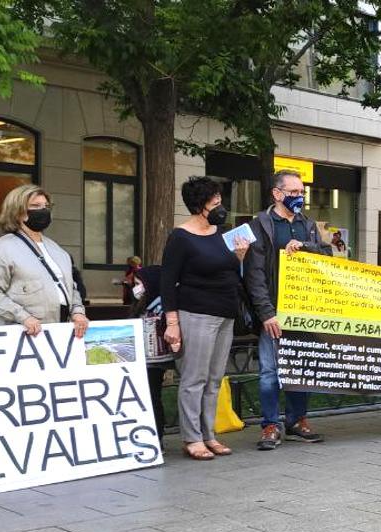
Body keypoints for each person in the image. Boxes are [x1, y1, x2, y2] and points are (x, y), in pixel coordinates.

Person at [161, 176, 249, 460]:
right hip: (196, 312)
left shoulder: (222, 234)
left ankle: (209, 434)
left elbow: (229, 273)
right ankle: (192, 437)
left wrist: (240, 257)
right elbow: (167, 281)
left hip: (225, 312)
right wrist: (172, 323)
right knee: (194, 378)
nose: (220, 208)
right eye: (215, 203)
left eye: (220, 202)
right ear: (199, 205)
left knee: (214, 379)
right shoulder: (181, 237)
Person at [244, 169, 330, 449]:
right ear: (277, 193)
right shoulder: (262, 224)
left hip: (303, 310)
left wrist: (306, 246)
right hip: (274, 311)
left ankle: (297, 420)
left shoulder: (308, 224)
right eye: (293, 192)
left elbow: (328, 254)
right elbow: (254, 273)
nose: (299, 197)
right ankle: (270, 425)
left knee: (302, 367)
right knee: (270, 370)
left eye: (301, 192)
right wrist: (266, 312)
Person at [0, 185, 89, 337]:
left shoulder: (58, 250)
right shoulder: (1, 248)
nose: (43, 211)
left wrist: (78, 312)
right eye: (35, 206)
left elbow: (72, 287)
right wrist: (23, 317)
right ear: (18, 211)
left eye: (46, 206)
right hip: (22, 333)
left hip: (59, 330)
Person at [129, 266, 173, 439]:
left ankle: (157, 438)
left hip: (155, 362)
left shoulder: (163, 310)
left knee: (153, 397)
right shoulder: (141, 307)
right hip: (141, 361)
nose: (136, 288)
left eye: (139, 283)